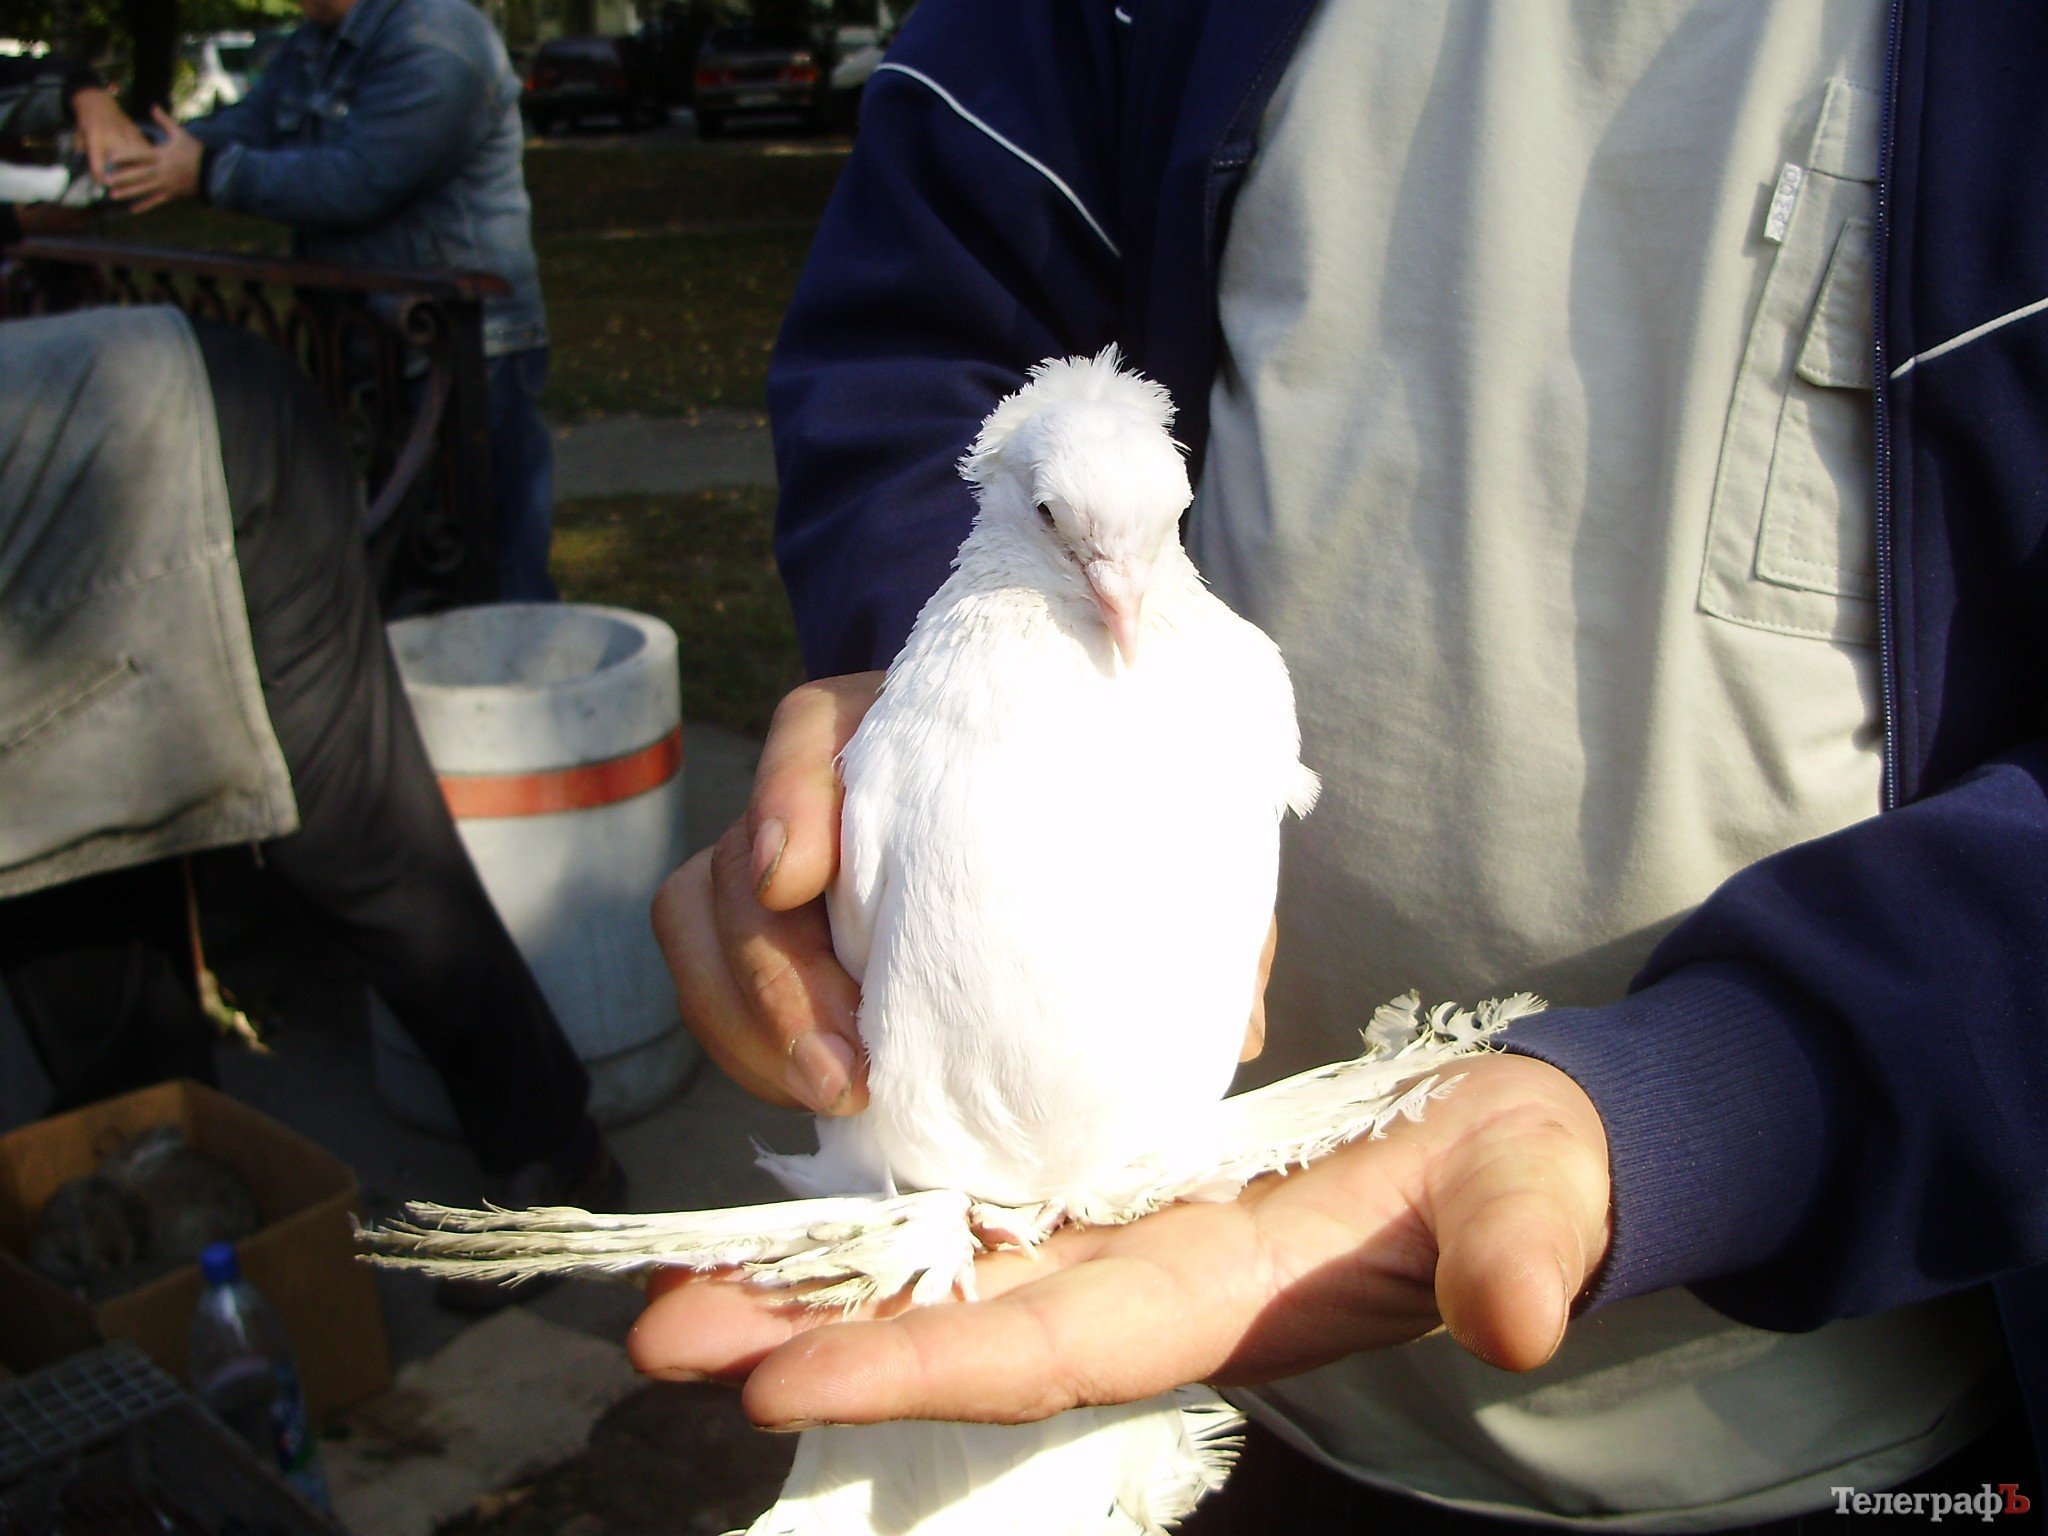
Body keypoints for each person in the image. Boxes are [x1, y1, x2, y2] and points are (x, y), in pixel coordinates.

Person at [628, 1, 2048, 1530]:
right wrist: (928, 713)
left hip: (1865, 1404)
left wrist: (1745, 1091)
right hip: (1204, 1335)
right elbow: (936, 331)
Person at [0, 308, 616, 1283]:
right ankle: (169, 1188)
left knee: (350, 839)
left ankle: (553, 1153)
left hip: (215, 444)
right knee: (59, 851)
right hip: (72, 579)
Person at [99, 0, 559, 602]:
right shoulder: (313, 46)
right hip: (375, 355)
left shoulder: (438, 39)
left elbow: (361, 182)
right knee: (403, 575)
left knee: (496, 579)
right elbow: (243, 128)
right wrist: (138, 155)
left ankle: (527, 690)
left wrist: (208, 173)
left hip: (471, 355)